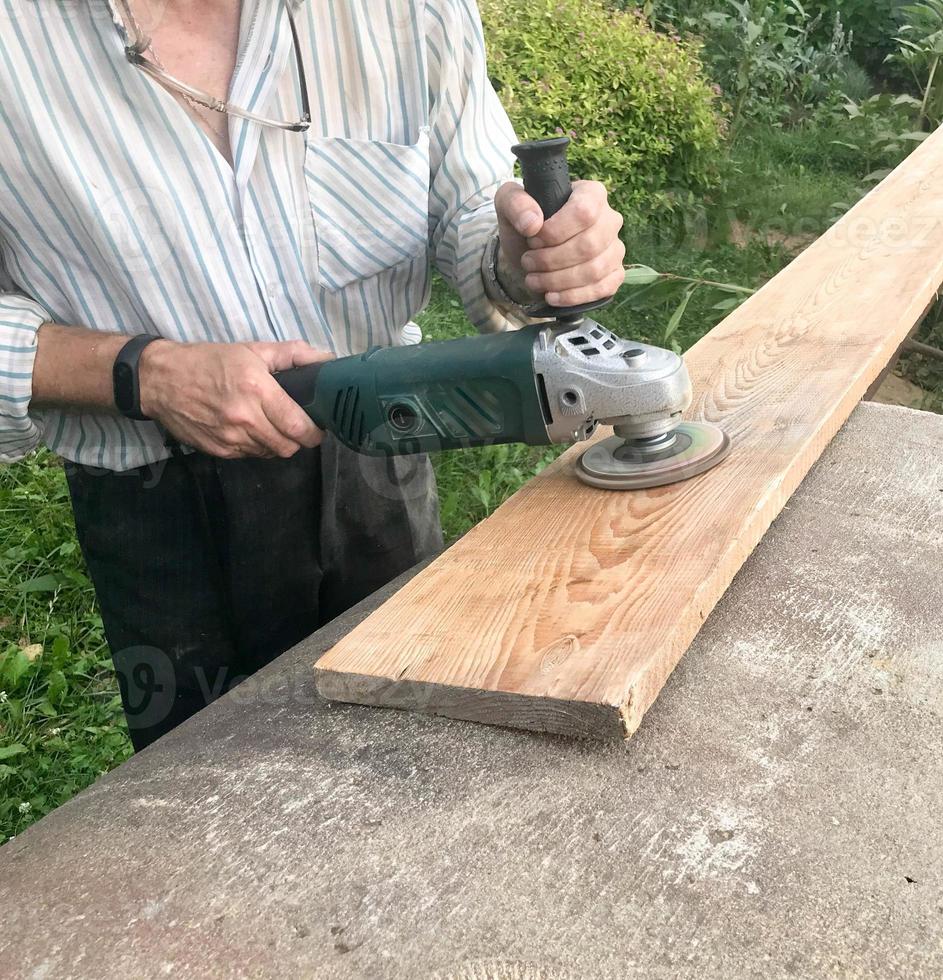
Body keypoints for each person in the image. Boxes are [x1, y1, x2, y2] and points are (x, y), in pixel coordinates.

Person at [0, 0, 626, 749]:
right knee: (207, 794)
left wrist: (525, 254)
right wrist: (148, 375)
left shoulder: (405, 12)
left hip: (379, 459)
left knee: (427, 751)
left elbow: (470, 199)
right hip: (158, 509)